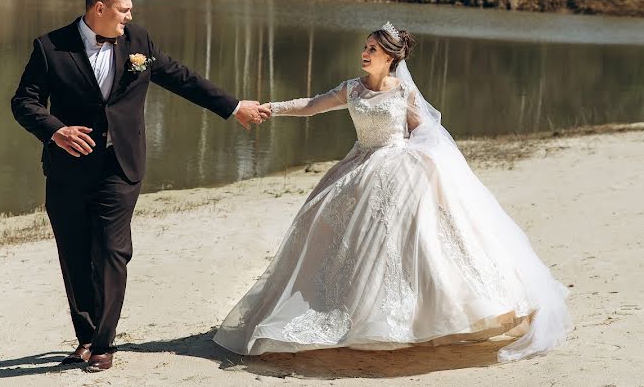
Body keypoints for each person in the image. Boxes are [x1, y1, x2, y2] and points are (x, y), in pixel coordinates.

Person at [214, 22, 572, 362]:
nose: (365, 52)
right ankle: (346, 313)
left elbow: (424, 131)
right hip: (360, 164)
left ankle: (419, 319)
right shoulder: (351, 88)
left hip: (399, 167)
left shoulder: (404, 92)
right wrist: (270, 109)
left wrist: (429, 168)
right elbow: (311, 105)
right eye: (365, 47)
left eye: (373, 48)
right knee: (325, 223)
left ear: (390, 58)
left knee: (410, 242)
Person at [11, 0, 270, 372]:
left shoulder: (138, 41)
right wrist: (55, 131)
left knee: (112, 250)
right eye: (124, 9)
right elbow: (23, 101)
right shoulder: (50, 47)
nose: (130, 17)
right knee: (75, 254)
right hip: (68, 170)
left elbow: (181, 77)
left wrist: (233, 107)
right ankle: (85, 335)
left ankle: (104, 342)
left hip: (121, 165)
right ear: (99, 9)